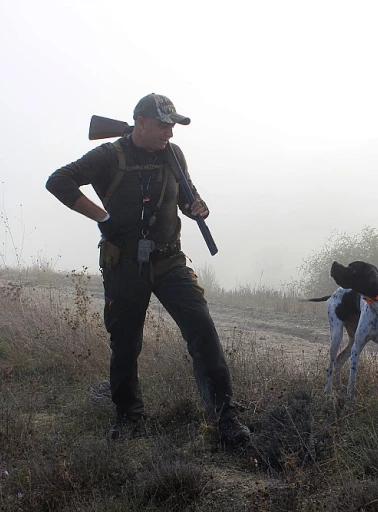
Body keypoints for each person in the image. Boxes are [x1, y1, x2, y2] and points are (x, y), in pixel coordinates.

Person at [46, 93, 250, 444]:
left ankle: (225, 418)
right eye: (163, 124)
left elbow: (185, 195)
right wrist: (102, 217)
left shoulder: (173, 154)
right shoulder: (109, 155)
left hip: (170, 261)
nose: (170, 133)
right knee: (125, 344)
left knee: (203, 331)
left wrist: (195, 206)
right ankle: (128, 417)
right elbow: (58, 181)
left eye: (173, 125)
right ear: (140, 122)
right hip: (124, 263)